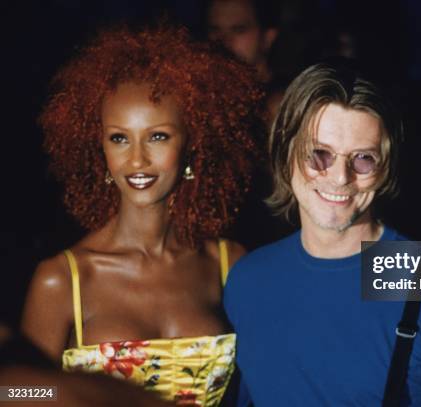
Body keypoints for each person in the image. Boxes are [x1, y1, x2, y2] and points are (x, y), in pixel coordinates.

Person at [224, 61, 421, 405]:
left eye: (363, 159)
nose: (339, 177)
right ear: (285, 151)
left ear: (385, 168)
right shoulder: (247, 281)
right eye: (319, 155)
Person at [21, 22, 262, 405]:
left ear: (192, 143)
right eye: (119, 138)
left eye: (158, 136)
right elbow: (16, 390)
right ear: (98, 146)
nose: (136, 159)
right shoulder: (63, 280)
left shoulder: (228, 264)